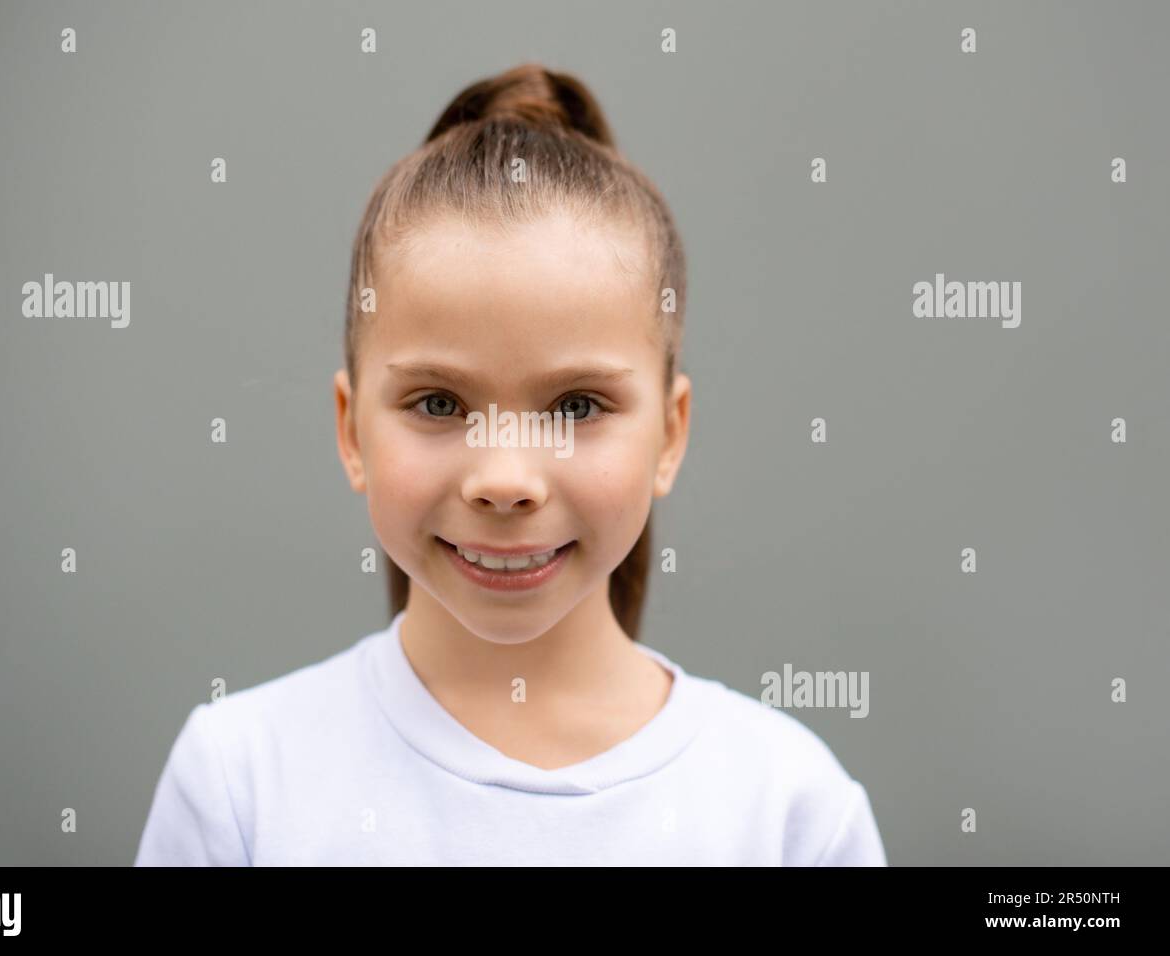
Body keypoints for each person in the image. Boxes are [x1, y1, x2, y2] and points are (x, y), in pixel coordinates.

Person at [135, 62, 887, 866]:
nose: (505, 479)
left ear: (670, 435)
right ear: (352, 431)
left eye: (576, 408)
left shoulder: (788, 811)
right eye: (438, 404)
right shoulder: (239, 784)